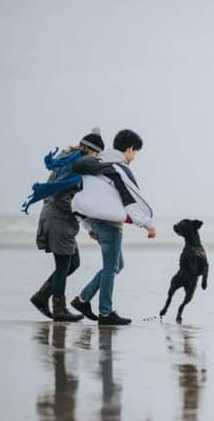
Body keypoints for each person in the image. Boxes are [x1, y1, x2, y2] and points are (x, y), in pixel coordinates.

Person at [70, 129, 156, 325]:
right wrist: (147, 224)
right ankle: (105, 313)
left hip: (96, 221)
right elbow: (129, 199)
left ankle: (82, 299)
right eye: (135, 153)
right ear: (129, 149)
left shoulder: (98, 164)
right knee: (111, 268)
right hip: (109, 224)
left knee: (117, 265)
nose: (134, 158)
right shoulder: (118, 168)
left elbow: (86, 195)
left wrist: (88, 226)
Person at [29, 131, 105, 322]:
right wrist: (82, 213)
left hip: (56, 218)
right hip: (59, 220)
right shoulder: (74, 165)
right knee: (63, 265)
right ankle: (60, 309)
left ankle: (41, 296)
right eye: (97, 155)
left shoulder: (67, 160)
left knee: (74, 263)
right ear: (90, 150)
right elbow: (62, 198)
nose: (96, 160)